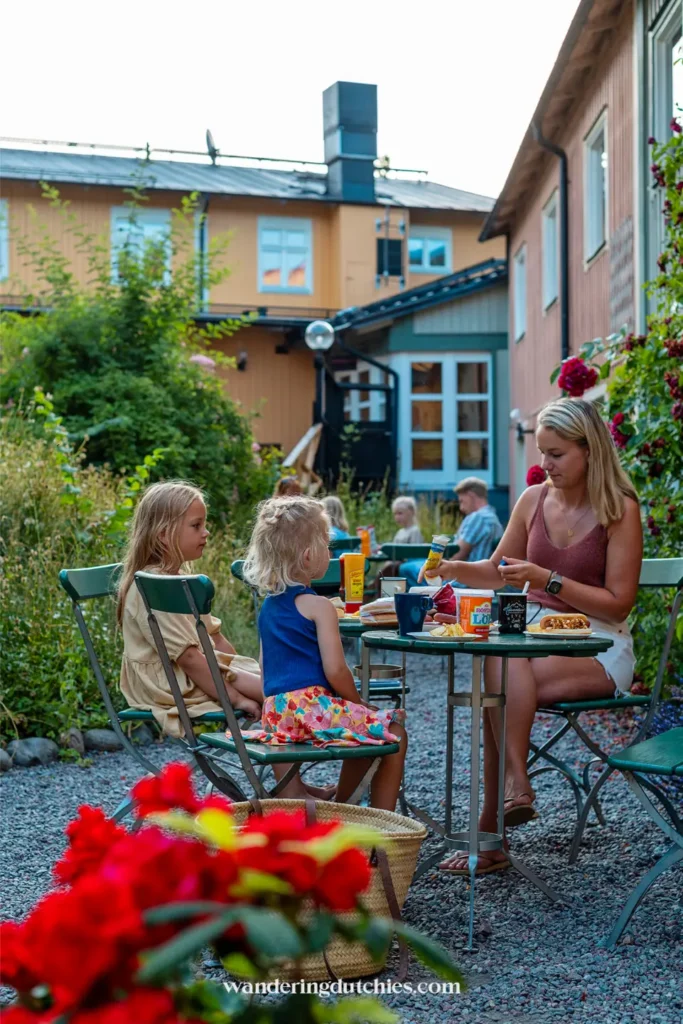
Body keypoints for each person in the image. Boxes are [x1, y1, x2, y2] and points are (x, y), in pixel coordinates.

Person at [421, 398, 642, 874]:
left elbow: (620, 603)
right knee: (500, 665)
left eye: (557, 454)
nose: (545, 465)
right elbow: (498, 572)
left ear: (590, 451)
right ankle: (514, 794)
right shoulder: (532, 499)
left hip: (598, 643)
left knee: (497, 679)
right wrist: (452, 568)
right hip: (531, 636)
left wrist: (549, 581)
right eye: (541, 453)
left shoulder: (619, 509)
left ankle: (494, 826)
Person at [242, 496, 408, 809]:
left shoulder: (267, 608)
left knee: (366, 730)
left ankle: (344, 811)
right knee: (393, 731)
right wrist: (358, 703)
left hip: (276, 715)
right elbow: (336, 671)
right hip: (310, 710)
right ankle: (379, 827)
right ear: (308, 556)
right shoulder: (320, 607)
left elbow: (266, 670)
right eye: (326, 545)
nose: (329, 553)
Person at [117, 481, 263, 737]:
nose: (205, 532)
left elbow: (214, 640)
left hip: (192, 671)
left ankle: (290, 760)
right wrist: (236, 699)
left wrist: (238, 666)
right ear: (164, 535)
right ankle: (294, 766)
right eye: (196, 526)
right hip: (170, 682)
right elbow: (190, 659)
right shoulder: (154, 587)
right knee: (284, 691)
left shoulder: (178, 581)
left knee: (277, 681)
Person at [399, 478, 503, 588]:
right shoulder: (494, 519)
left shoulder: (478, 517)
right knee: (413, 561)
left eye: (462, 501)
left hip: (463, 581)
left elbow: (458, 553)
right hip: (480, 578)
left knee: (405, 568)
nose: (461, 508)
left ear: (471, 495)